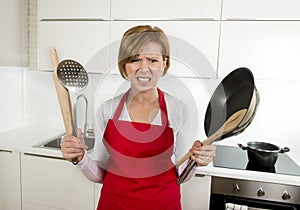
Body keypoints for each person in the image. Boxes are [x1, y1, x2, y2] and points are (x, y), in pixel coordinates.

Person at [60, 25, 216, 210]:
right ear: (124, 65)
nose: (144, 68)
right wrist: (81, 158)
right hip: (114, 204)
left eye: (152, 60)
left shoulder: (180, 110)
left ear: (164, 63)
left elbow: (181, 175)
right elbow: (101, 173)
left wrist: (196, 161)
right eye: (135, 60)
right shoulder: (107, 110)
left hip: (163, 205)